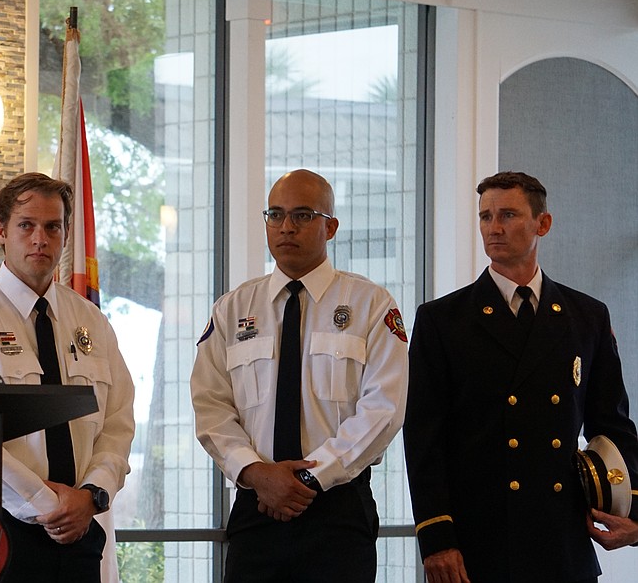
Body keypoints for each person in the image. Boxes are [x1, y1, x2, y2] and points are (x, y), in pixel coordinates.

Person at [404, 171, 638, 583]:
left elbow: (613, 425)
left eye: (508, 215)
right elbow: (424, 437)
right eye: (485, 217)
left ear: (542, 224)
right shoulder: (443, 320)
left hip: (560, 538)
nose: (493, 228)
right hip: (476, 540)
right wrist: (436, 536)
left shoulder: (586, 316)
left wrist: (633, 509)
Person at [190, 169, 409, 581]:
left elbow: (384, 410)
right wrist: (257, 474)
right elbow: (210, 405)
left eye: (303, 215)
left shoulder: (371, 305)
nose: (287, 226)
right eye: (275, 214)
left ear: (331, 227)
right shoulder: (233, 309)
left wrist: (308, 478)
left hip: (338, 511)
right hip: (257, 505)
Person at [0, 172, 135, 582]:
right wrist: (45, 503)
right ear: (1, 231)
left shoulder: (90, 320)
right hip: (3, 531)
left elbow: (118, 422)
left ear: (64, 234)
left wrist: (91, 496)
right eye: (26, 225)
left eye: (52, 226)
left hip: (81, 531)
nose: (40, 238)